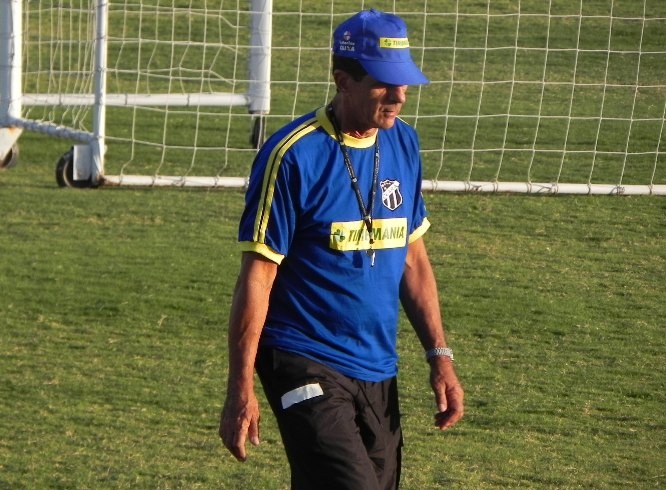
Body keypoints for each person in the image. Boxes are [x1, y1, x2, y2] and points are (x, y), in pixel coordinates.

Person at [219, 9, 464, 490]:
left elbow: (412, 259)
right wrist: (239, 387)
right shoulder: (293, 156)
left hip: (377, 364)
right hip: (301, 355)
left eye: (403, 82)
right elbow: (258, 276)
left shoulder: (403, 143)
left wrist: (440, 355)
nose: (398, 96)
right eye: (383, 84)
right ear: (343, 81)